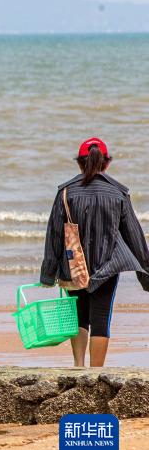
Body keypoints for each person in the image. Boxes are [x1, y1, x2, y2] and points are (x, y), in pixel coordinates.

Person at [40, 137, 149, 367]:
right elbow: (134, 237)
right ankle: (95, 373)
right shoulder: (119, 193)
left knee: (78, 316)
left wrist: (48, 275)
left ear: (80, 163)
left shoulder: (65, 193)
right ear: (106, 163)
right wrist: (145, 275)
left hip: (73, 265)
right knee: (101, 318)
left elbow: (55, 236)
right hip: (108, 266)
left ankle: (78, 367)